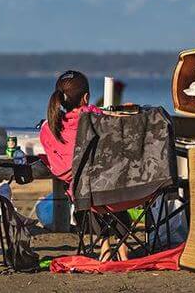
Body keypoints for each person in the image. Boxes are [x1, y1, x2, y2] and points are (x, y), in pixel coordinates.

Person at [38, 70, 129, 262]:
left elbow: (59, 170)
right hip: (120, 190)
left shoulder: (48, 128)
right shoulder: (99, 118)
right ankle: (124, 248)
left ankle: (104, 248)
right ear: (86, 97)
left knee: (90, 189)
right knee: (106, 185)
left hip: (84, 195)